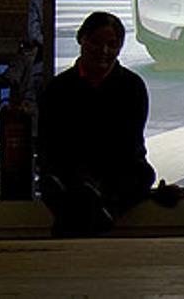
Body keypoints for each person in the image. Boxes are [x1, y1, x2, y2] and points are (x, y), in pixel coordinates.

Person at [37, 12, 155, 236]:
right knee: (56, 181)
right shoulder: (58, 88)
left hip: (116, 170)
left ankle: (84, 212)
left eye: (112, 45)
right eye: (96, 43)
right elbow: (50, 143)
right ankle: (100, 213)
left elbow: (129, 143)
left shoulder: (132, 86)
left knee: (141, 174)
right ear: (81, 39)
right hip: (71, 169)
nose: (103, 51)